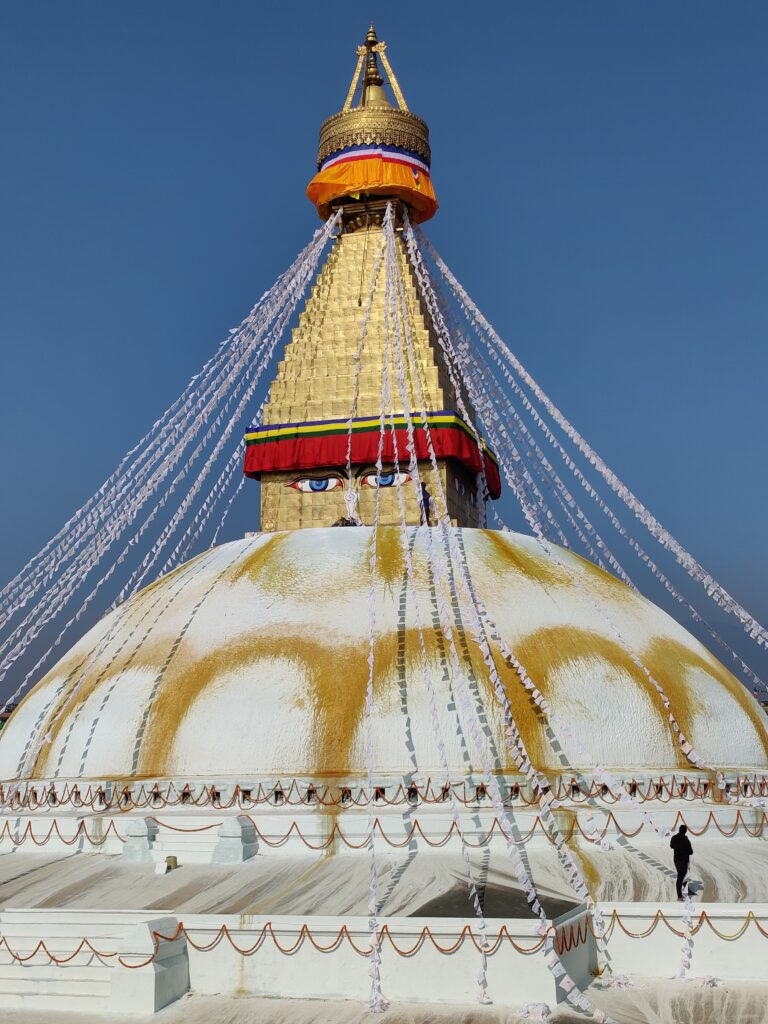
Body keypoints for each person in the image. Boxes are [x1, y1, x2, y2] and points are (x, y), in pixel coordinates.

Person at [670, 824, 693, 900]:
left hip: (676, 860)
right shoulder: (686, 840)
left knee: (682, 875)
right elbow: (690, 852)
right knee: (681, 877)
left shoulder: (674, 838)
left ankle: (687, 890)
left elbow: (671, 846)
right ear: (685, 831)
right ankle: (679, 896)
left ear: (679, 830)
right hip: (683, 861)